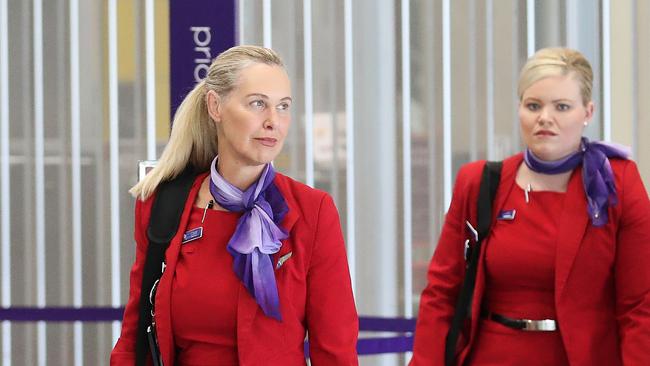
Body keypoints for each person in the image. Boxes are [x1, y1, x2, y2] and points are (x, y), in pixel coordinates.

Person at [110, 45, 358, 366]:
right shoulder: (163, 206)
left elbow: (335, 348)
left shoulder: (313, 211)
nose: (273, 121)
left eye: (283, 107)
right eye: (258, 104)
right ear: (216, 106)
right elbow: (135, 337)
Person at [410, 47, 650, 366]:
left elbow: (640, 305)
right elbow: (442, 295)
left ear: (588, 112)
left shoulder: (615, 183)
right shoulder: (479, 183)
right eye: (533, 105)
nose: (544, 118)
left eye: (562, 107)